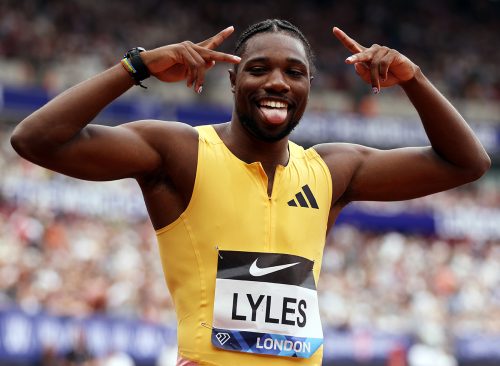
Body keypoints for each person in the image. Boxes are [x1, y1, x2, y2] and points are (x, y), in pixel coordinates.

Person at [10, 19, 490, 366]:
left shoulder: (331, 169)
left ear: (309, 87)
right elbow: (36, 140)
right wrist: (137, 66)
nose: (277, 82)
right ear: (233, 79)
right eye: (259, 69)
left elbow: (467, 163)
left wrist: (415, 79)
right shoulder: (181, 152)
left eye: (295, 73)